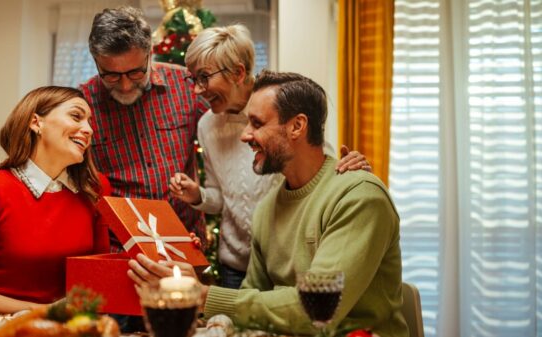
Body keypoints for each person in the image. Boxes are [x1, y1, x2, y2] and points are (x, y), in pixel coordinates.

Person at [128, 70, 408, 336]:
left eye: (257, 123)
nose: (245, 135)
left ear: (297, 126)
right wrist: (198, 293)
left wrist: (204, 296)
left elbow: (317, 310)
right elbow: (250, 301)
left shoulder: (357, 196)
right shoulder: (267, 208)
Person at [167, 25, 371, 289]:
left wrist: (352, 169)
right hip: (236, 266)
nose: (197, 90)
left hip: (285, 262)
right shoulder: (207, 125)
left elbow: (318, 167)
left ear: (238, 72)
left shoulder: (279, 107)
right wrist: (198, 197)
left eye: (204, 77)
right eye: (193, 79)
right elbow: (220, 199)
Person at [0, 86, 111, 324]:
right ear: (36, 123)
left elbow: (98, 283)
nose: (88, 129)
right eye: (76, 116)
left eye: (89, 122)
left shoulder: (95, 189)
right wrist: (43, 312)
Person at [80, 6, 210, 245]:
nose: (126, 86)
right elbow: (50, 161)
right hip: (120, 247)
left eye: (135, 73)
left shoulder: (186, 86)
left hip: (186, 241)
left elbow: (228, 128)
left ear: (150, 54)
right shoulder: (82, 104)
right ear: (96, 62)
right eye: (111, 75)